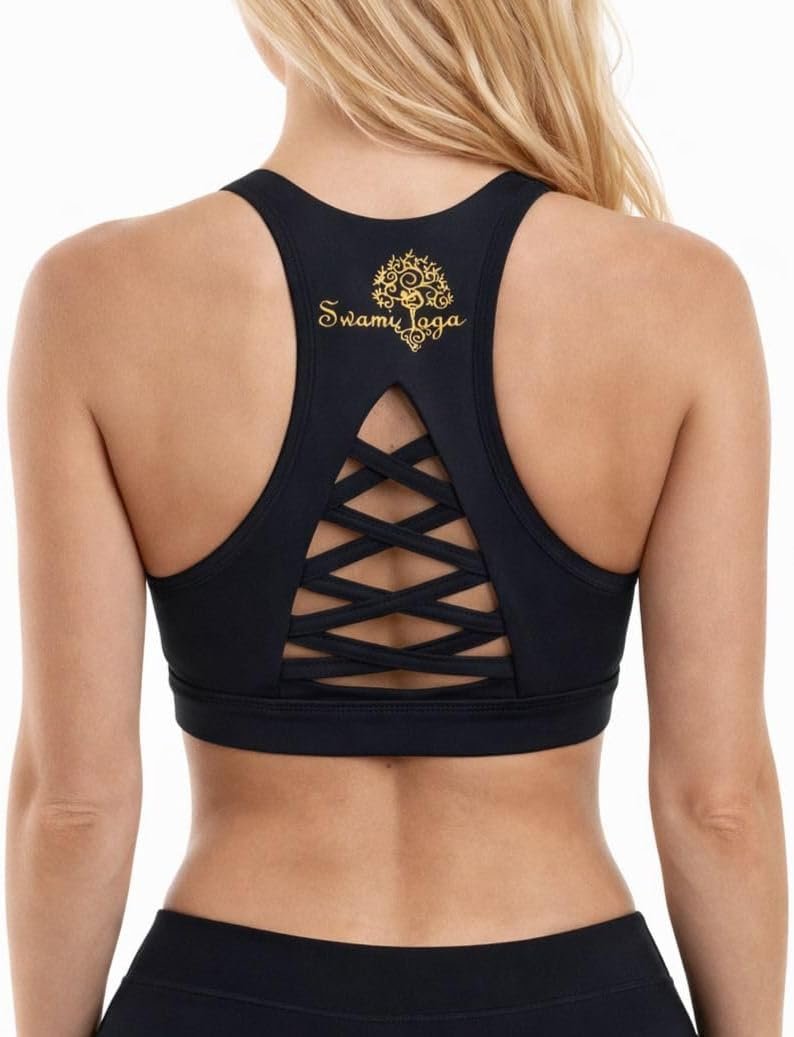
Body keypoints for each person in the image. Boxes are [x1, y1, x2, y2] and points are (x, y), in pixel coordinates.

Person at [5, 2, 787, 1035]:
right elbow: (717, 803)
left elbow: (74, 806)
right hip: (572, 993)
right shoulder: (679, 297)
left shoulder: (96, 296)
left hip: (221, 991)